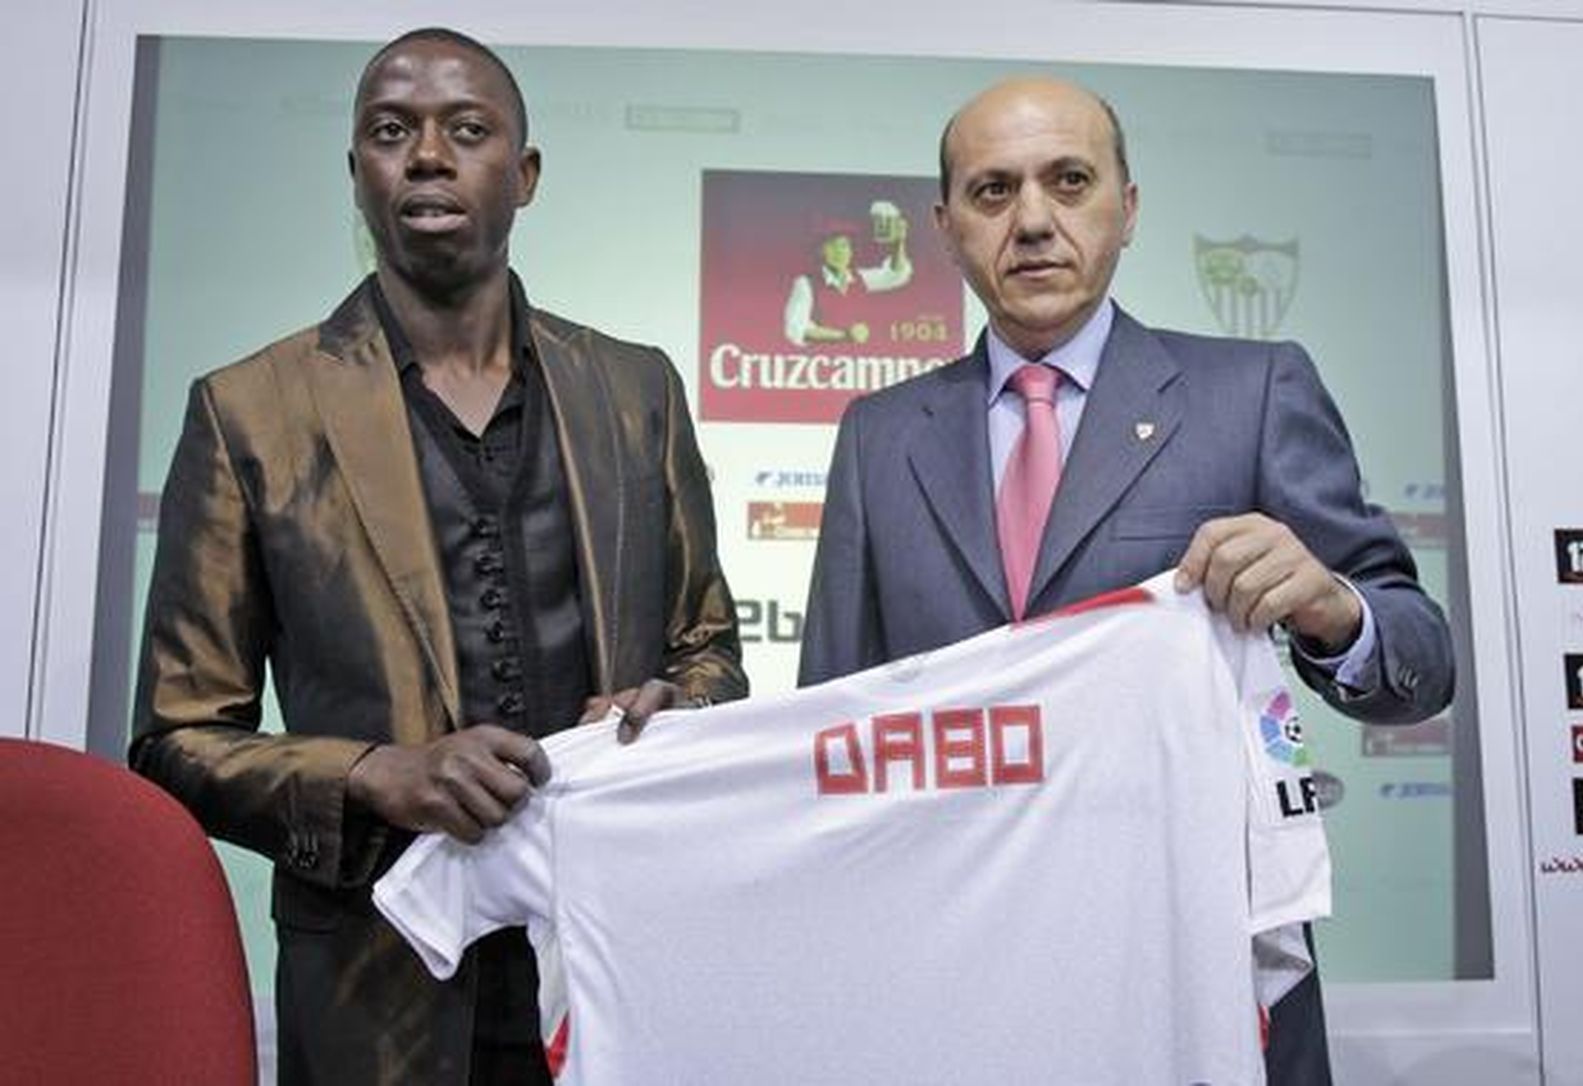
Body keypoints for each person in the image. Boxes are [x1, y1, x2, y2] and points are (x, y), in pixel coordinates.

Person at [799, 76, 1453, 1086]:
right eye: (991, 192)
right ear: (943, 226)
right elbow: (827, 720)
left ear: (1128, 207)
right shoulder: (879, 437)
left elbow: (1422, 664)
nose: (1031, 222)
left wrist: (1330, 606)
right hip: (954, 978)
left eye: (1068, 182)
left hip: (1195, 969)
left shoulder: (1253, 391)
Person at [129, 28, 745, 1086]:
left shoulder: (636, 392)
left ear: (526, 174)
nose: (426, 155)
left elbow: (712, 655)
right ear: (356, 175)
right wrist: (375, 775)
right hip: (376, 985)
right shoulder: (250, 412)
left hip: (610, 965)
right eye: (389, 131)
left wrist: (668, 710)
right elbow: (178, 737)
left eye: (466, 130)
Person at [783, 206, 912, 346]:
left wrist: (898, 244)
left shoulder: (861, 278)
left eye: (844, 246)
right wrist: (845, 335)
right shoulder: (806, 283)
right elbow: (796, 329)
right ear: (821, 252)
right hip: (827, 360)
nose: (839, 252)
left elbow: (895, 275)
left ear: (851, 251)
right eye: (832, 246)